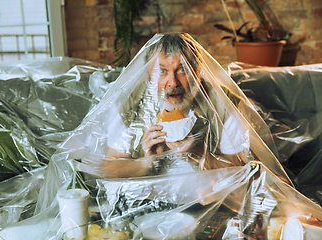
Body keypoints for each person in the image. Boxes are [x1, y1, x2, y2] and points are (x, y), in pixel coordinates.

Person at [103, 33, 250, 178]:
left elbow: (240, 168)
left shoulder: (223, 103)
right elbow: (110, 168)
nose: (173, 82)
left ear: (197, 71)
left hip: (205, 197)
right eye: (162, 71)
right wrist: (147, 162)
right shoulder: (130, 103)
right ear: (149, 73)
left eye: (182, 70)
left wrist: (195, 153)